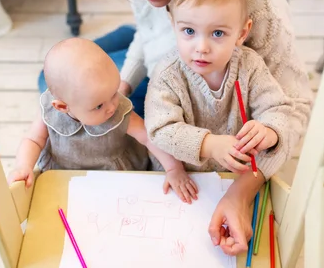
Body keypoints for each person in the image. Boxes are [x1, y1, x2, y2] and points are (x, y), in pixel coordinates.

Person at [86, 0, 314, 255]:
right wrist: (123, 86)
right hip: (166, 62)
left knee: (76, 92)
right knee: (64, 80)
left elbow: (293, 106)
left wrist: (241, 193)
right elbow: (148, 30)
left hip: (199, 81)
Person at [145, 0, 295, 184]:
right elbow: (159, 130)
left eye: (217, 33)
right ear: (173, 23)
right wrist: (210, 145)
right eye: (188, 31)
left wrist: (269, 131)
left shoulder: (250, 66)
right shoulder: (168, 74)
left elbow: (278, 109)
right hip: (184, 177)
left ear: (242, 33)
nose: (201, 48)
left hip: (234, 175)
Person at [14, 38, 199, 204]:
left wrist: (173, 168)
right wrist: (24, 166)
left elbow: (149, 138)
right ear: (63, 107)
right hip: (66, 174)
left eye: (113, 93)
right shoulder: (50, 112)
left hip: (114, 175)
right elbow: (33, 140)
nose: (112, 107)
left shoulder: (117, 111)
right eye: (99, 106)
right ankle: (124, 34)